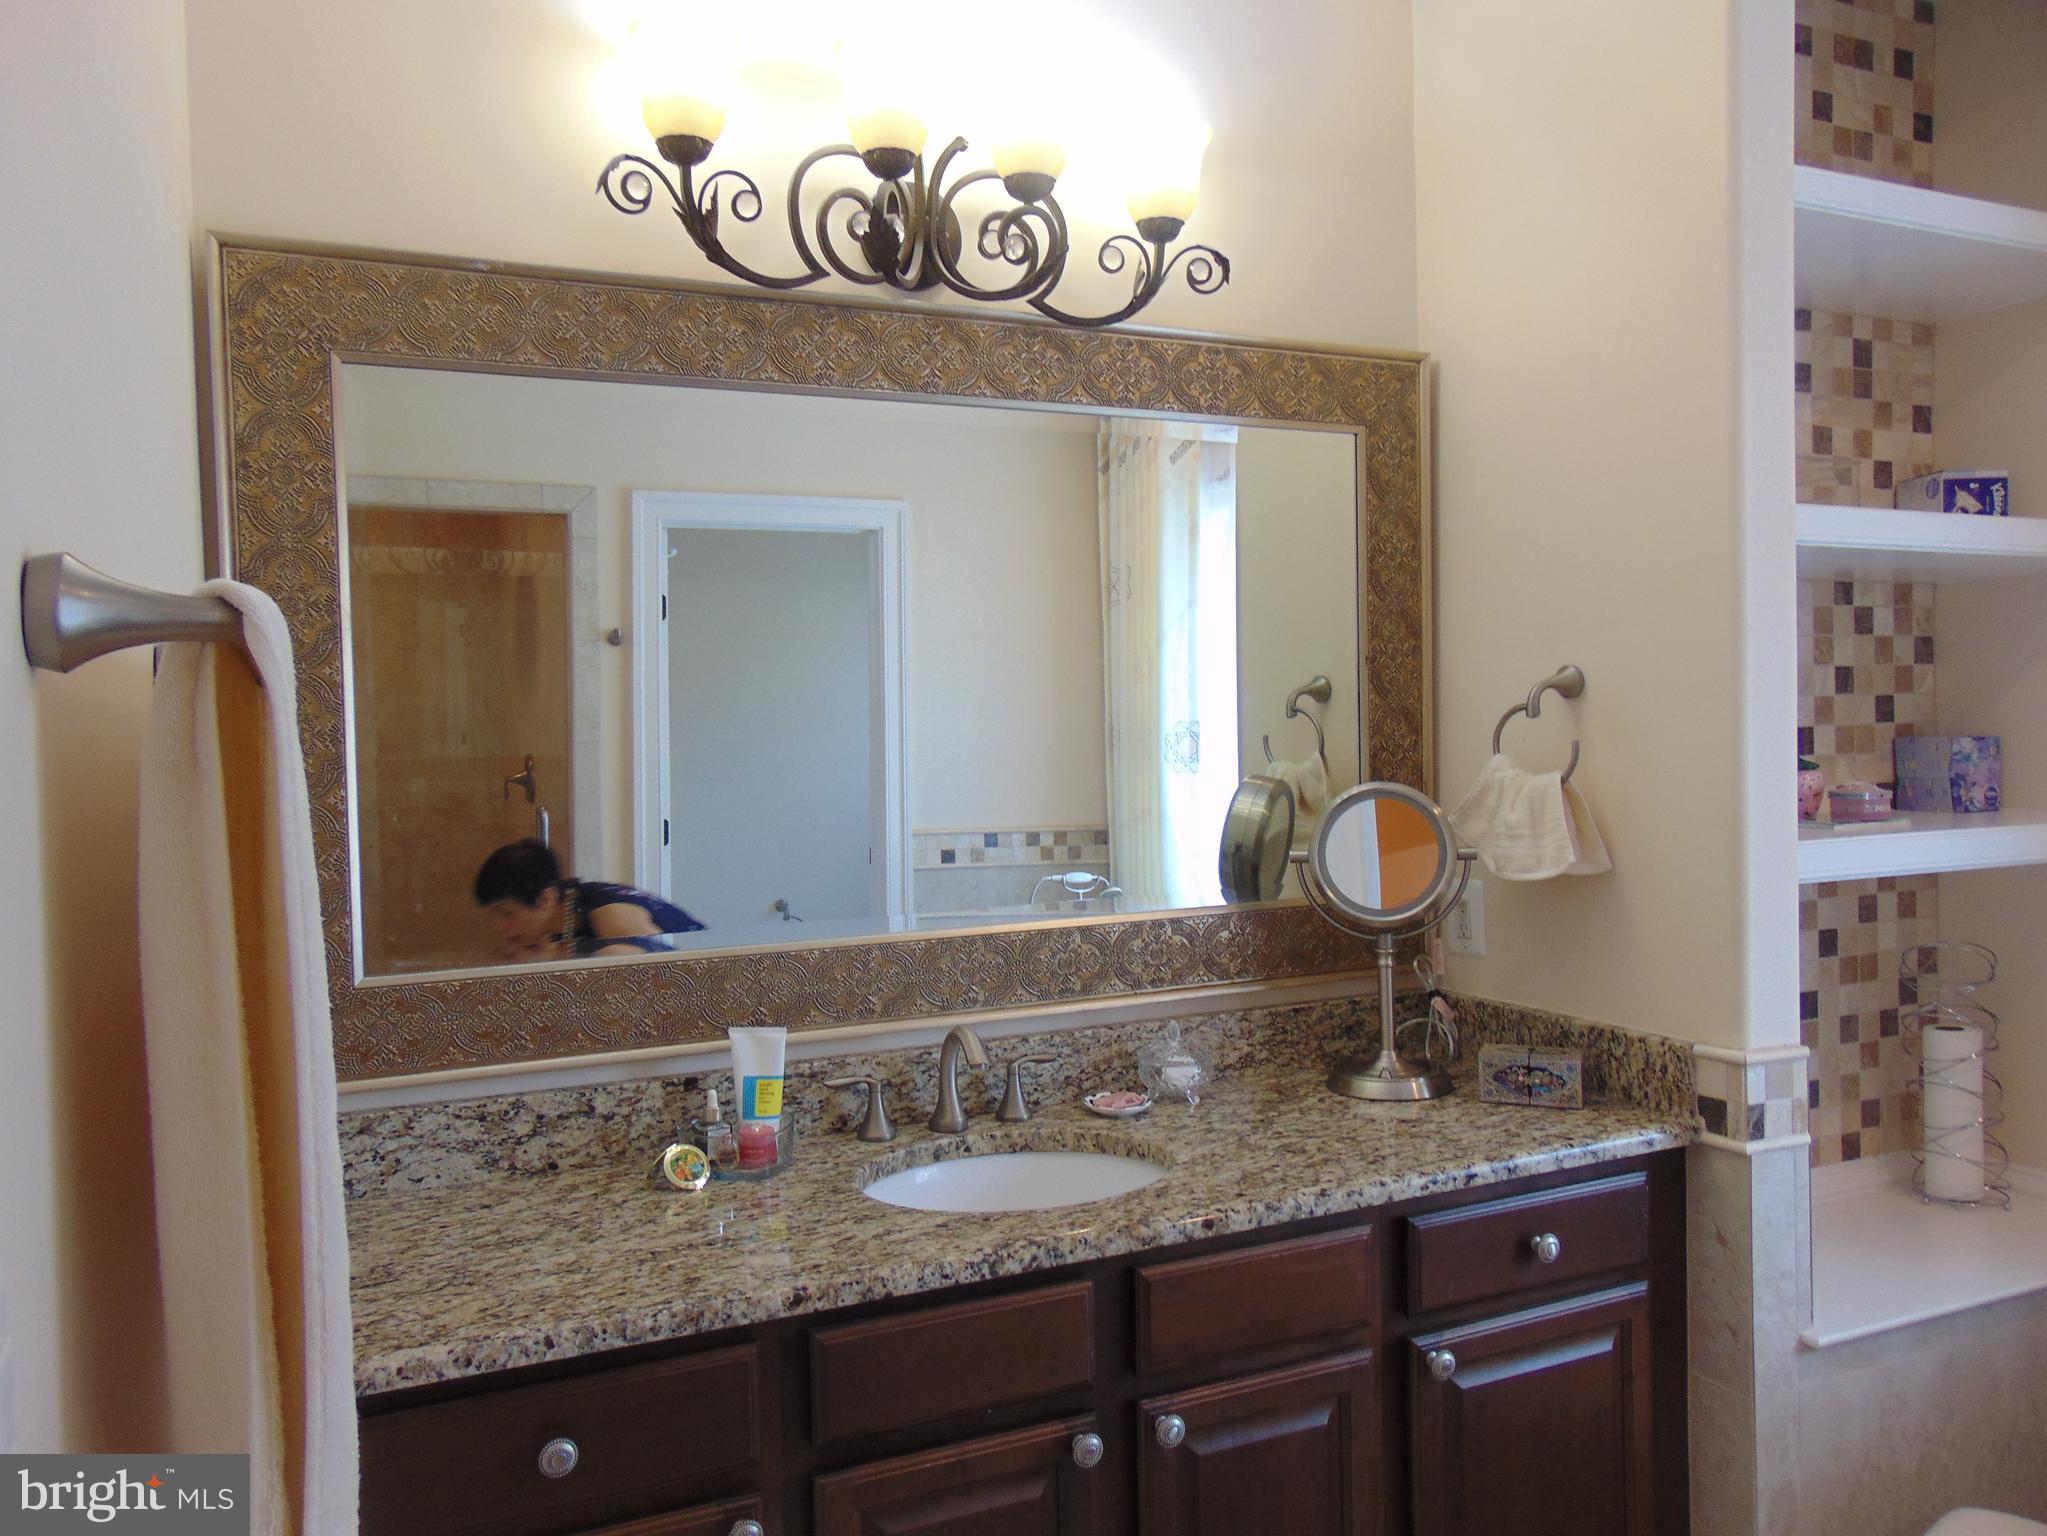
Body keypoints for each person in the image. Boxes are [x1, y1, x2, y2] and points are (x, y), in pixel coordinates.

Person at [473, 840, 704, 961]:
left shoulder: (613, 916)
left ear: (546, 899)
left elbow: (666, 969)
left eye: (507, 913)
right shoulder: (567, 914)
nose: (501, 927)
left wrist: (555, 955)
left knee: (615, 955)